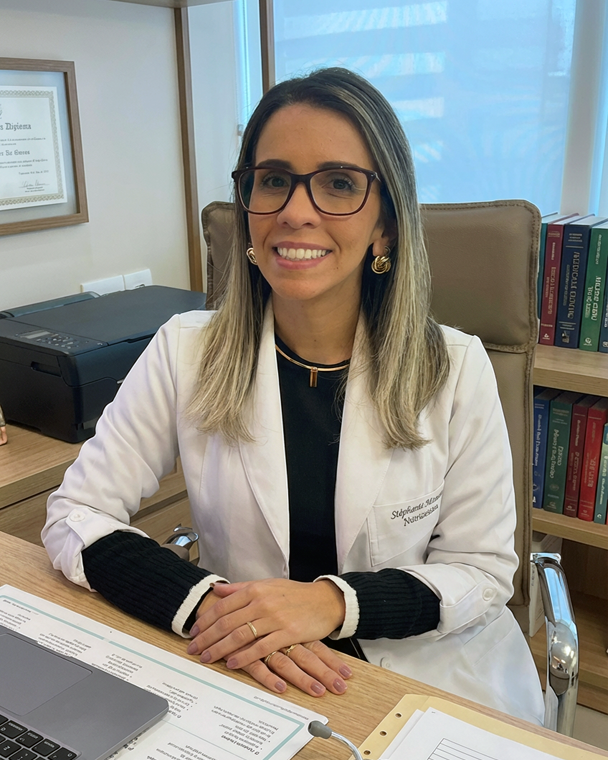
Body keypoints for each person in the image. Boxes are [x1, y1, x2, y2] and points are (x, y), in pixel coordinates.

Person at [43, 67, 544, 723]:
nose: (296, 211)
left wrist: (330, 604)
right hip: (247, 665)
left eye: (339, 183)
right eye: (274, 180)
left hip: (419, 669)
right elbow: (76, 514)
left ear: (387, 227)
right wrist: (206, 603)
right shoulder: (184, 350)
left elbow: (480, 571)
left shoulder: (455, 367)